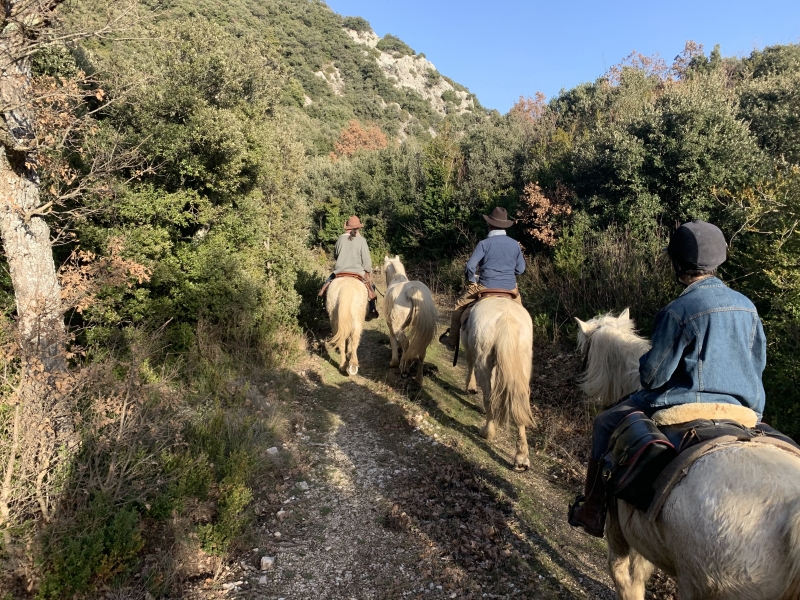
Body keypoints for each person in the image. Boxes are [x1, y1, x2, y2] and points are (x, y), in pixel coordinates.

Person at [568, 220, 767, 538]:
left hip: (685, 406)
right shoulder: (748, 307)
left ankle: (592, 511)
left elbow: (652, 376)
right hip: (743, 411)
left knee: (605, 423)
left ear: (677, 264)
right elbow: (757, 364)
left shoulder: (678, 310)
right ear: (719, 261)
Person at [439, 207, 526, 351]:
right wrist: (508, 273)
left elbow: (470, 266)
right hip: (510, 288)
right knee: (523, 316)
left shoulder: (484, 244)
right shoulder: (514, 245)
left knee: (459, 306)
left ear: (490, 224)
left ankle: (451, 342)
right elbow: (521, 269)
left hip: (486, 286)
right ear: (504, 225)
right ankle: (525, 346)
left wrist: (472, 280)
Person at [328, 215, 379, 320]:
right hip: (358, 274)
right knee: (371, 288)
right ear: (358, 228)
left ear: (347, 227)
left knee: (326, 285)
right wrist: (368, 270)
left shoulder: (340, 239)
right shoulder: (362, 240)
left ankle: (324, 308)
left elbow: (336, 255)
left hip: (340, 272)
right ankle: (371, 310)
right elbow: (366, 261)